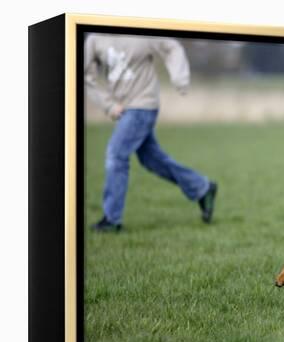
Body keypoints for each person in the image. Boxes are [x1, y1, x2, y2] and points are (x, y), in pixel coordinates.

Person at [84, 33, 217, 232]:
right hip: (123, 108)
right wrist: (108, 105)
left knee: (116, 154)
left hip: (144, 105)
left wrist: (180, 79)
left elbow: (172, 47)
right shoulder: (94, 40)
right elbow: (86, 76)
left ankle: (112, 220)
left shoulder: (140, 33)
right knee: (152, 159)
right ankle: (202, 187)